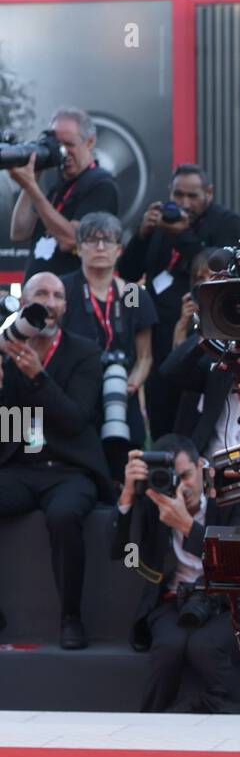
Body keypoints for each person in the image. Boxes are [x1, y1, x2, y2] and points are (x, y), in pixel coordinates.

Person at [0, 271, 113, 648]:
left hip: (69, 469)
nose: (49, 302)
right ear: (23, 302)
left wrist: (38, 377)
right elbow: (7, 427)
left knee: (64, 517)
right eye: (41, 294)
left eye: (57, 296)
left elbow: (75, 419)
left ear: (65, 306)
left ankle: (71, 617)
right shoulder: (7, 343)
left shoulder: (84, 351)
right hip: (19, 464)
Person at [108, 436, 240, 712]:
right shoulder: (155, 499)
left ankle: (234, 720)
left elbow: (237, 563)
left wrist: (187, 526)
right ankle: (150, 726)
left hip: (224, 600)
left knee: (204, 647)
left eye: (187, 475)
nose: (183, 487)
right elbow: (118, 550)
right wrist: (127, 493)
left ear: (202, 467)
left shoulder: (232, 496)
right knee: (169, 648)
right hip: (173, 599)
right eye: (175, 479)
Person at [117, 165, 240, 438]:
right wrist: (142, 235)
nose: (184, 202)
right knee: (160, 411)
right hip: (158, 332)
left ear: (209, 193)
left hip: (201, 339)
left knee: (189, 418)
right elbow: (127, 272)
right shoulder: (161, 221)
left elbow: (215, 266)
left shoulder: (226, 222)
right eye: (178, 195)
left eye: (192, 195)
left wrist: (182, 233)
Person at [61, 212, 158, 486]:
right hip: (77, 394)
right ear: (78, 249)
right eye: (92, 241)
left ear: (119, 250)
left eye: (108, 241)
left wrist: (133, 382)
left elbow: (145, 356)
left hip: (122, 394)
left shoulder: (131, 293)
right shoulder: (64, 290)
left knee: (128, 467)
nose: (100, 247)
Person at [9, 107, 120, 281]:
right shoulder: (57, 187)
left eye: (69, 145)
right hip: (36, 294)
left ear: (89, 142)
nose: (63, 153)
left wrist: (32, 187)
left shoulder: (101, 185)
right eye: (58, 146)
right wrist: (34, 176)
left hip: (67, 300)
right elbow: (19, 232)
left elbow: (71, 240)